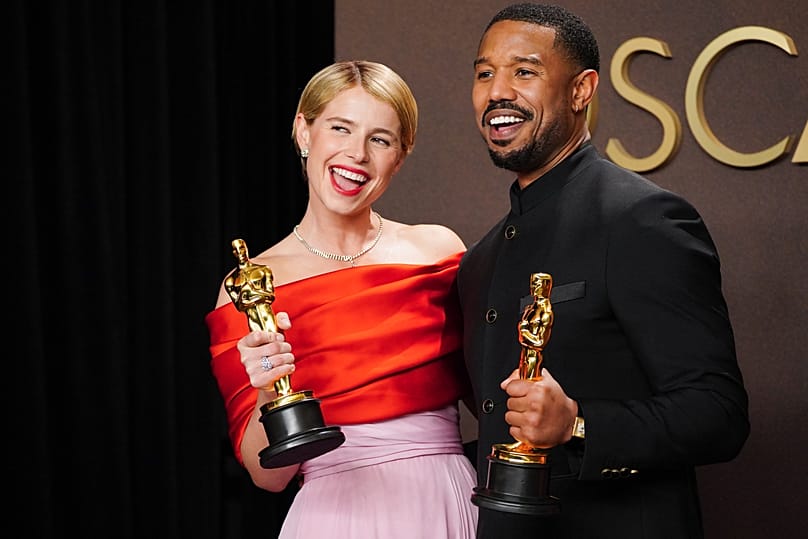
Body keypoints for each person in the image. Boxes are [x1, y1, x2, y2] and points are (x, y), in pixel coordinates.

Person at [456, 4, 750, 538]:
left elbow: (718, 414)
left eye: (524, 71)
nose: (498, 91)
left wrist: (577, 424)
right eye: (484, 74)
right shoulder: (479, 261)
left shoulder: (642, 218)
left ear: (581, 90)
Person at [205, 60, 478, 538]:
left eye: (380, 139)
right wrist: (270, 388)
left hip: (445, 504)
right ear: (303, 131)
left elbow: (493, 401)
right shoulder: (248, 286)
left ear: (401, 154)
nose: (357, 154)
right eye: (339, 128)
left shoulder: (439, 252)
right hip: (334, 518)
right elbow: (268, 477)